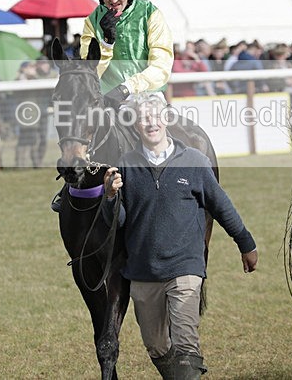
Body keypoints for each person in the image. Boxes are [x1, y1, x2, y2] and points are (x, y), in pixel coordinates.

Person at [102, 93, 258, 379]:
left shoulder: (194, 161)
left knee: (185, 347)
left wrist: (246, 244)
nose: (151, 123)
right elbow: (119, 221)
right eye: (144, 118)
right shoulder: (125, 165)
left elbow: (221, 206)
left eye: (156, 116)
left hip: (185, 268)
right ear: (136, 125)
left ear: (167, 119)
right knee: (156, 346)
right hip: (144, 272)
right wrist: (110, 197)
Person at [80, 0, 173, 107]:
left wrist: (127, 88)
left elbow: (161, 66)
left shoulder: (150, 14)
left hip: (149, 97)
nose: (113, 0)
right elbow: (89, 72)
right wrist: (106, 43)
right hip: (106, 100)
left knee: (149, 118)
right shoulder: (92, 21)